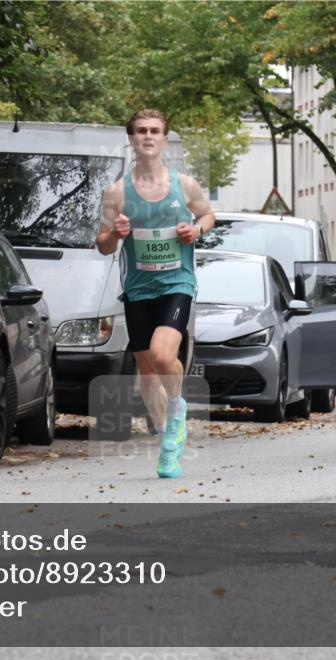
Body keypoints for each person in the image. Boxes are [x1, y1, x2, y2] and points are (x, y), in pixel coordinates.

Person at [96, 109, 215, 478]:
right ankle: (168, 443)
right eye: (141, 130)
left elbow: (208, 215)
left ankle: (177, 410)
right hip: (138, 288)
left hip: (177, 283)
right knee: (147, 371)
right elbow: (102, 244)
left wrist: (195, 231)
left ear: (164, 139)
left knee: (164, 356)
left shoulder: (185, 185)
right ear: (132, 138)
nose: (147, 136)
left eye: (154, 131)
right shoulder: (117, 193)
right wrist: (116, 234)